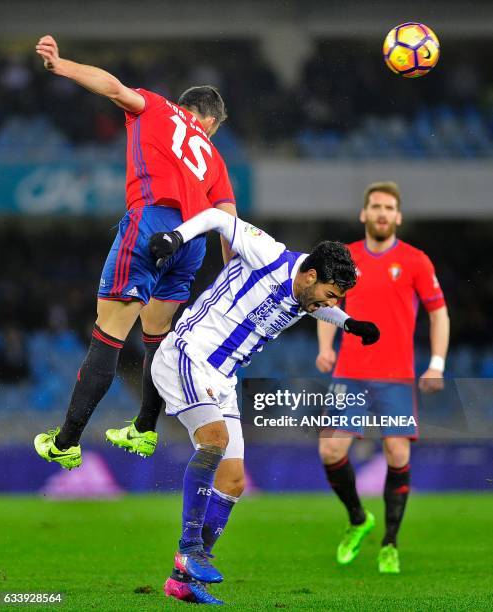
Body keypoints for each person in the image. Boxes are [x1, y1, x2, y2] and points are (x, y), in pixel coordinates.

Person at [144, 208, 380, 604]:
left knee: (234, 481)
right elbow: (217, 218)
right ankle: (189, 549)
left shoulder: (307, 296)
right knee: (214, 441)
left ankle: (181, 581)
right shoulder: (269, 254)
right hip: (188, 354)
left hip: (223, 378)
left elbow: (321, 305)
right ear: (309, 276)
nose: (330, 303)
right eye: (330, 294)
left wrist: (349, 323)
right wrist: (176, 237)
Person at [33, 35, 237, 470]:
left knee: (109, 332)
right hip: (192, 242)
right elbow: (228, 222)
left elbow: (112, 87)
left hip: (151, 224)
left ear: (188, 109)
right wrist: (231, 279)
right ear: (212, 120)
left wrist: (62, 65)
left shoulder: (162, 107)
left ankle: (65, 441)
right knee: (156, 337)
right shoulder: (215, 158)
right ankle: (145, 430)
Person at [315, 181, 449, 574]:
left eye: (389, 207)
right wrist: (326, 347)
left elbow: (438, 312)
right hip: (350, 373)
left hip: (395, 376)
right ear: (364, 214)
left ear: (398, 216)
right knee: (330, 451)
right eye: (375, 206)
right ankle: (358, 520)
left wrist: (437, 363)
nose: (381, 213)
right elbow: (326, 304)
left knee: (397, 453)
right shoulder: (347, 258)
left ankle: (390, 543)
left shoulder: (415, 261)